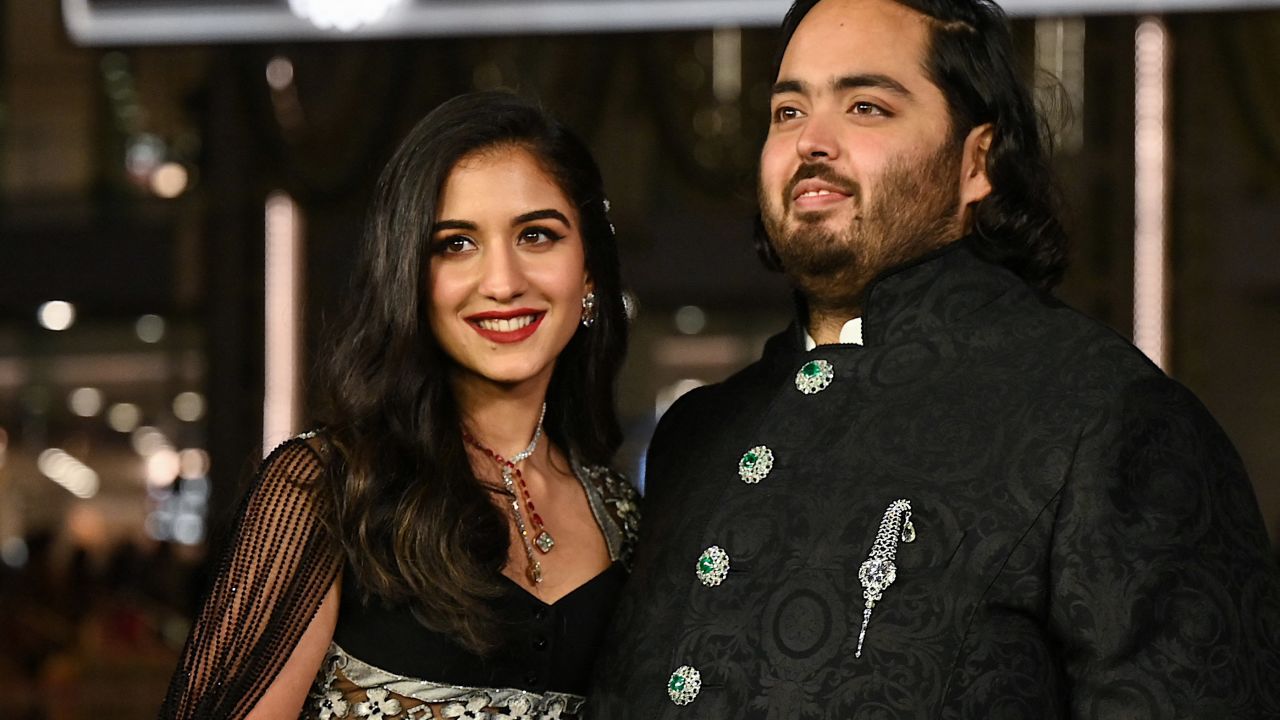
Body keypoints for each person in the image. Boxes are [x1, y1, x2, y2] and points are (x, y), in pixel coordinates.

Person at [587, 0, 1280, 717]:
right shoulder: (699, 434)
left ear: (978, 161)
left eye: (865, 106)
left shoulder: (1107, 418)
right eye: (788, 113)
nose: (811, 142)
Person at [160, 91, 638, 720]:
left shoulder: (625, 517)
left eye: (537, 235)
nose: (502, 281)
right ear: (407, 275)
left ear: (589, 274)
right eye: (455, 245)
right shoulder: (329, 489)